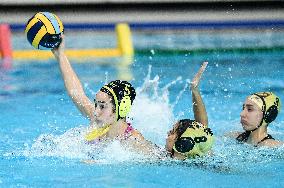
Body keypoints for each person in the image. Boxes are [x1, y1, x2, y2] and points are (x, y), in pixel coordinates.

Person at [52, 36, 159, 155]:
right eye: (96, 104)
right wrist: (60, 55)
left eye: (102, 106)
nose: (95, 112)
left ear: (121, 108)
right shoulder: (97, 122)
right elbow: (76, 93)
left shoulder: (134, 141)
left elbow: (164, 160)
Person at [166, 62, 214, 160]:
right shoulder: (195, 159)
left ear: (181, 144)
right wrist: (194, 90)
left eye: (172, 132)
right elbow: (202, 128)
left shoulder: (161, 160)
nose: (167, 133)